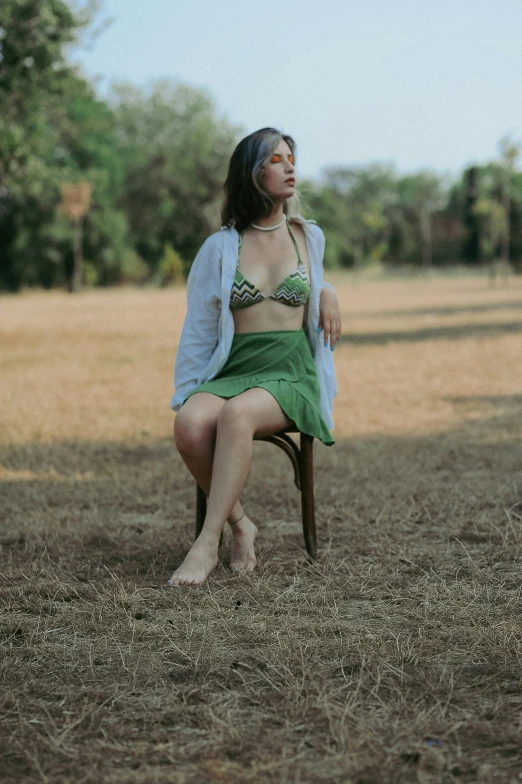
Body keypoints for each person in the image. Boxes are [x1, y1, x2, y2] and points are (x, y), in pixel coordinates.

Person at [166, 127, 341, 587]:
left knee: (239, 415)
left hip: (289, 372)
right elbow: (199, 328)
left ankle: (205, 546)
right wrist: (189, 393)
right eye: (277, 160)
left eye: (291, 159)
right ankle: (241, 525)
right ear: (252, 171)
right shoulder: (220, 247)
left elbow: (315, 281)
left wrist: (329, 290)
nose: (290, 167)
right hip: (235, 368)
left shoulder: (309, 236)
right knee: (189, 423)